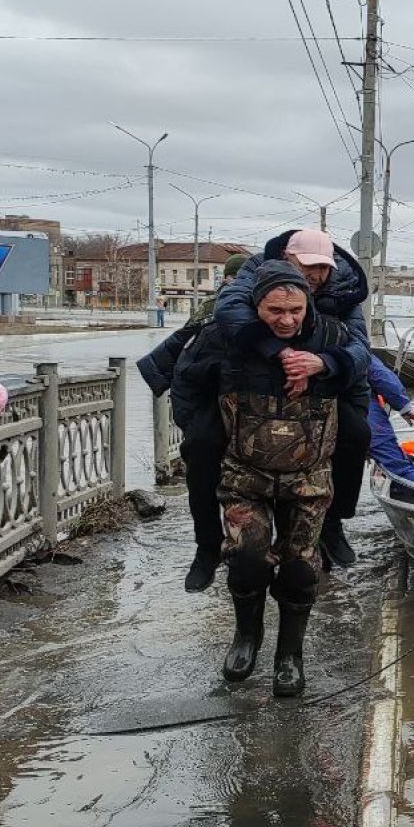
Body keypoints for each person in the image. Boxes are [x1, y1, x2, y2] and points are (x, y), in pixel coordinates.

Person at [213, 262, 362, 696]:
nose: (286, 319)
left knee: (300, 566)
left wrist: (326, 364)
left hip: (309, 477)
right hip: (245, 473)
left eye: (295, 309)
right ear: (255, 305)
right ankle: (247, 636)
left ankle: (289, 655)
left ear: (307, 304)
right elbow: (185, 377)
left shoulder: (331, 335)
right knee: (246, 555)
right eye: (275, 309)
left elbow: (361, 365)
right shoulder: (230, 337)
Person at [215, 228, 372, 570]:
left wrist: (325, 362)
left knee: (357, 433)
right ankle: (207, 538)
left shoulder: (342, 288)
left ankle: (332, 520)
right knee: (203, 441)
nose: (315, 276)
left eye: (322, 267)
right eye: (307, 267)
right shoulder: (257, 270)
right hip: (263, 376)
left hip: (323, 379)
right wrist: (280, 351)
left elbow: (361, 348)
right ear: (287, 259)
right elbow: (228, 310)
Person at [137, 252, 250, 591]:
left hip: (259, 408)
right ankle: (208, 548)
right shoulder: (211, 314)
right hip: (212, 406)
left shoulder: (272, 308)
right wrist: (194, 424)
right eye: (233, 282)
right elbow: (184, 370)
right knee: (202, 465)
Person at [365, 355, 414, 491]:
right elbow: (380, 375)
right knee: (399, 466)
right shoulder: (349, 340)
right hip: (362, 414)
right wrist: (405, 407)